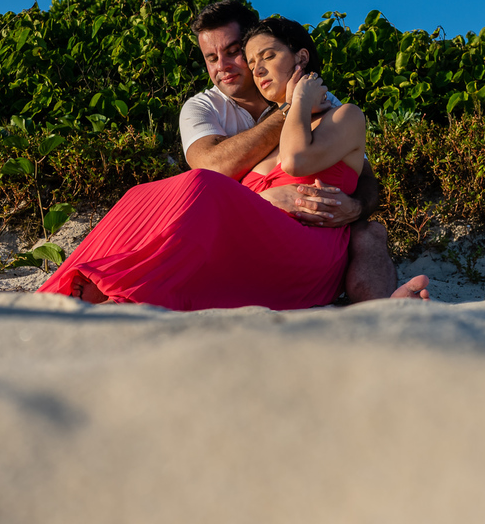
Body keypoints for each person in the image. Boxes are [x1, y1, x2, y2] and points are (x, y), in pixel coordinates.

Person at [37, 17, 428, 310]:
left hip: (308, 249)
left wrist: (300, 104)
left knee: (201, 186)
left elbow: (299, 161)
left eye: (267, 56)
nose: (255, 68)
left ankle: (125, 289)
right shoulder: (211, 110)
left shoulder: (342, 115)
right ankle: (83, 284)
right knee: (142, 193)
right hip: (253, 240)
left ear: (301, 57)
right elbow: (216, 169)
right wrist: (271, 195)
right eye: (251, 59)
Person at [180, 0, 428, 302]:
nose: (222, 66)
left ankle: (385, 310)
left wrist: (356, 207)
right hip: (246, 230)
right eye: (211, 57)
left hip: (308, 242)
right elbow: (209, 171)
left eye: (233, 52)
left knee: (369, 233)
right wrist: (291, 108)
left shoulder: (328, 105)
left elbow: (361, 173)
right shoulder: (204, 107)